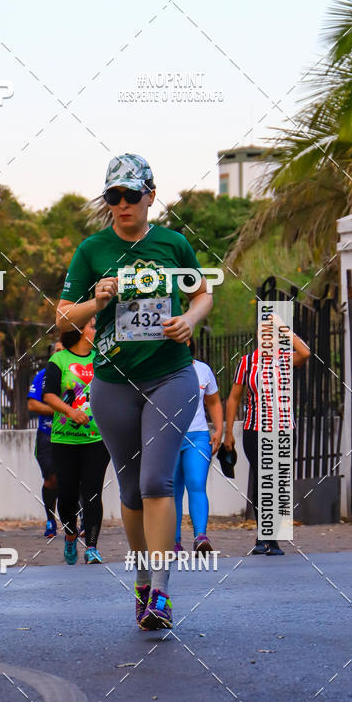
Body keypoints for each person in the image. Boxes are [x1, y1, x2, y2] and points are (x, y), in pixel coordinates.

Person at [56, 153, 213, 629]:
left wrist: (189, 319)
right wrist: (94, 301)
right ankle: (142, 582)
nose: (122, 205)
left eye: (130, 195)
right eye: (113, 197)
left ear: (150, 194)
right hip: (113, 383)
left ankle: (162, 593)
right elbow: (62, 318)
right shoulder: (92, 250)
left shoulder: (174, 244)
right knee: (129, 487)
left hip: (171, 375)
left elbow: (203, 292)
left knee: (156, 482)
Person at [224, 317, 310, 556]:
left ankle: (272, 540)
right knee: (263, 479)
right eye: (264, 333)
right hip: (255, 429)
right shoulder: (247, 362)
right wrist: (228, 433)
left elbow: (306, 353)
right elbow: (233, 398)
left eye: (273, 333)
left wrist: (283, 326)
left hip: (284, 429)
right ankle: (265, 536)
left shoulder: (285, 359)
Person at [42, 319, 111, 565]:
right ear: (81, 331)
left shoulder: (102, 358)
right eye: (93, 326)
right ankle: (71, 535)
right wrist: (70, 412)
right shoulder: (58, 360)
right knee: (67, 494)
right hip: (64, 440)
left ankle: (92, 546)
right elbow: (48, 394)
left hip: (97, 439)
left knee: (93, 493)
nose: (97, 329)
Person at [173, 340, 223, 555]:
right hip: (169, 437)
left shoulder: (203, 370)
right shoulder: (162, 371)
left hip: (199, 436)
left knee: (196, 483)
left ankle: (200, 536)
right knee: (171, 491)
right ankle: (172, 541)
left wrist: (219, 429)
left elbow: (213, 402)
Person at [27, 341, 63, 538]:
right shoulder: (43, 376)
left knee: (78, 480)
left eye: (64, 350)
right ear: (51, 355)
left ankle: (81, 521)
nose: (61, 353)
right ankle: (50, 519)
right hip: (47, 435)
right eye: (57, 350)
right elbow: (33, 405)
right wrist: (62, 410)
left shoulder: (77, 374)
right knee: (51, 479)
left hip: (74, 435)